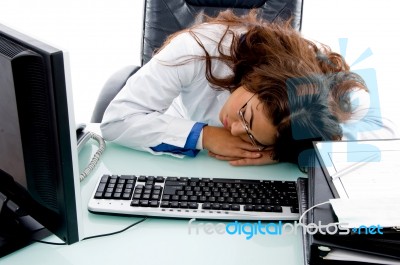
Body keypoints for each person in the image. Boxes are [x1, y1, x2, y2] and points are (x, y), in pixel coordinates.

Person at [100, 10, 397, 168]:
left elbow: (355, 145)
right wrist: (205, 136)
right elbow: (116, 121)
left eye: (253, 136)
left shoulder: (311, 96)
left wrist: (282, 152)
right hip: (176, 148)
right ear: (254, 79)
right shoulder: (198, 47)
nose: (237, 131)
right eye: (246, 115)